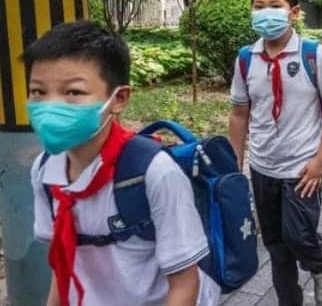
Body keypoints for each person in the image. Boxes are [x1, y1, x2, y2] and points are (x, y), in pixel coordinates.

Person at [27, 21, 220, 306]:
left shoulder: (153, 172)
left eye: (74, 92)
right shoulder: (45, 171)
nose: (50, 105)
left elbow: (184, 283)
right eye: (38, 92)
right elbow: (63, 264)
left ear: (118, 99)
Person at [228, 0, 322, 306]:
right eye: (258, 6)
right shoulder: (246, 59)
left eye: (274, 6)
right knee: (276, 248)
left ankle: (320, 263)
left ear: (293, 12)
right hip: (262, 168)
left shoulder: (314, 55)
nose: (265, 12)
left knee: (299, 238)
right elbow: (239, 114)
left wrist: (321, 160)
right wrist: (236, 166)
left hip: (302, 169)